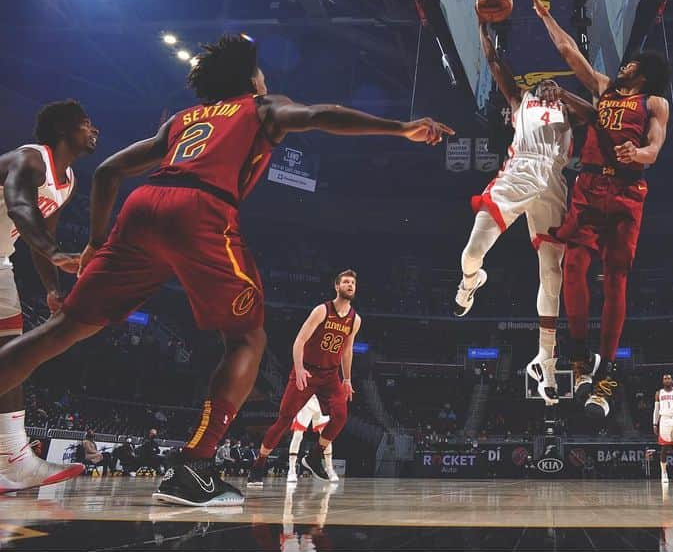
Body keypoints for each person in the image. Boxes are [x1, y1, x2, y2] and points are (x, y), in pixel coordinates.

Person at [0, 33, 452, 507]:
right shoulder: (258, 107)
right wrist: (400, 128)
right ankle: (194, 469)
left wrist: (96, 242)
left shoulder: (182, 119)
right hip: (201, 211)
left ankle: (192, 466)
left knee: (65, 328)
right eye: (262, 74)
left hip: (143, 205)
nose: (267, 79)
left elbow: (110, 171)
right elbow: (320, 114)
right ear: (250, 80)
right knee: (247, 339)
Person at [526, 0, 670, 418]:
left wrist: (637, 154)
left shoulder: (655, 103)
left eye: (631, 63)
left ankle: (605, 373)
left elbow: (655, 149)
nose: (622, 65)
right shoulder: (605, 90)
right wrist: (543, 14)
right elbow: (571, 53)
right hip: (588, 189)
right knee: (573, 266)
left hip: (626, 192)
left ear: (641, 73)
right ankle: (578, 354)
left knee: (616, 281)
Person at [454, 14, 595, 408]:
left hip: (553, 182)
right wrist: (482, 33)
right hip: (516, 175)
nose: (543, 87)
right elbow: (498, 67)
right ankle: (471, 282)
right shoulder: (520, 102)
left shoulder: (566, 108)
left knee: (553, 274)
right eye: (540, 85)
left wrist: (564, 94)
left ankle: (546, 363)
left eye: (547, 84)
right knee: (471, 254)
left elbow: (595, 116)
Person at [0, 101, 98, 492]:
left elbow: (41, 236)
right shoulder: (31, 159)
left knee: (12, 352)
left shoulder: (68, 180)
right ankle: (15, 459)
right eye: (86, 123)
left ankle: (13, 459)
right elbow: (20, 207)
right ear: (63, 129)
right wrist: (57, 255)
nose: (95, 129)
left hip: (1, 259)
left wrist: (52, 287)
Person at [248, 269, 361, 487]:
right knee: (284, 419)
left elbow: (347, 351)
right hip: (307, 371)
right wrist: (298, 368)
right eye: (345, 282)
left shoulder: (355, 319)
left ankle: (314, 456)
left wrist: (347, 379)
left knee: (340, 416)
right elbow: (299, 341)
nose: (350, 285)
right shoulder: (322, 310)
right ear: (336, 286)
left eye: (353, 283)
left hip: (330, 375)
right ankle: (259, 463)